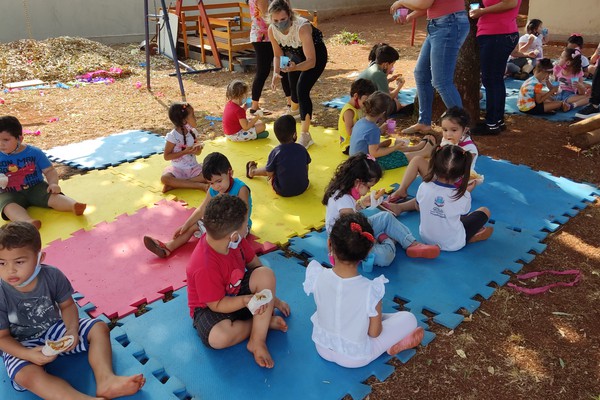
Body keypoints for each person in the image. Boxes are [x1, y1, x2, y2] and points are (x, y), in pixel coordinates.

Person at [0, 221, 145, 398]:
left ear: (40, 258)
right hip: (19, 344)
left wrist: (72, 331)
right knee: (26, 376)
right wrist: (27, 354)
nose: (10, 270)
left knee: (99, 328)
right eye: (2, 263)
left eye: (19, 261)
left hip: (53, 330)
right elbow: (2, 337)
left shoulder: (52, 275)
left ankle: (106, 380)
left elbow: (67, 305)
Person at [303, 213, 424, 368]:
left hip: (322, 346)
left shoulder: (318, 275)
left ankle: (389, 334)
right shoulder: (370, 290)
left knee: (360, 313)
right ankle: (394, 342)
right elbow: (374, 333)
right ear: (368, 253)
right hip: (354, 358)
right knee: (409, 318)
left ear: (329, 244)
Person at [186, 194, 290, 368]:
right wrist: (246, 301)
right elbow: (216, 304)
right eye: (246, 224)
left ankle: (257, 340)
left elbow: (255, 266)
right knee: (218, 338)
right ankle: (261, 323)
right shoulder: (203, 265)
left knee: (266, 274)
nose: (247, 228)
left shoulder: (236, 242)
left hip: (238, 294)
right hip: (211, 308)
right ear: (233, 235)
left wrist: (272, 298)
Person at [323, 153, 440, 268]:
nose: (369, 191)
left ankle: (412, 244)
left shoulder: (343, 191)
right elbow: (350, 232)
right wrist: (370, 240)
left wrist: (362, 204)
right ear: (358, 182)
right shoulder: (344, 199)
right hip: (347, 244)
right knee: (385, 257)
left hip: (353, 229)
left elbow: (350, 213)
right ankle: (387, 240)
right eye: (369, 187)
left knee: (386, 217)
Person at [143, 152, 252, 258]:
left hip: (238, 227)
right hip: (221, 224)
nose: (216, 186)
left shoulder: (241, 189)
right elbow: (201, 210)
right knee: (193, 226)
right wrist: (184, 226)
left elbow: (244, 217)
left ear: (230, 172)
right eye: (211, 183)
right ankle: (168, 247)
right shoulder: (213, 190)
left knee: (215, 236)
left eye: (219, 181)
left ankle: (221, 246)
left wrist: (238, 237)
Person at [390, 0, 470, 135]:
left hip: (449, 24)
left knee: (442, 82)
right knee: (421, 74)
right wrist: (410, 16)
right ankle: (424, 123)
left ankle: (463, 131)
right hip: (439, 24)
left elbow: (424, 4)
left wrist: (401, 2)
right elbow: (431, 5)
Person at [0, 116, 86, 230]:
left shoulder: (34, 152)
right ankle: (28, 222)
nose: (1, 144)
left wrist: (53, 184)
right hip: (9, 192)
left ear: (20, 138)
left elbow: (49, 170)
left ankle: (73, 205)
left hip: (36, 187)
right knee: (8, 207)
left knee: (52, 196)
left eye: (6, 140)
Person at [386, 107, 479, 212]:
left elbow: (457, 170)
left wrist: (453, 148)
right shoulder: (446, 140)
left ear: (465, 130)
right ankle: (401, 190)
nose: (448, 134)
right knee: (417, 160)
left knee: (432, 194)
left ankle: (401, 207)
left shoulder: (470, 149)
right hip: (441, 174)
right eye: (445, 130)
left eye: (454, 130)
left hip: (455, 182)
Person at [268, 0, 328, 149]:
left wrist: (294, 68)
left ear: (289, 15)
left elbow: (311, 61)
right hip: (294, 54)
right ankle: (295, 111)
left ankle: (305, 135)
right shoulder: (271, 30)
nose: (279, 23)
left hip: (315, 56)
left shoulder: (302, 27)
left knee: (302, 89)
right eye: (276, 20)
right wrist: (277, 72)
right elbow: (278, 54)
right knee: (290, 83)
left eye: (283, 19)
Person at [416, 145, 493, 251]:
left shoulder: (424, 186)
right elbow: (461, 217)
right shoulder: (464, 195)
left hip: (425, 237)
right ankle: (472, 237)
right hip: (452, 243)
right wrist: (466, 193)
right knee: (485, 210)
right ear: (462, 173)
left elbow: (419, 206)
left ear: (434, 164)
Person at [470, 0, 522, 135]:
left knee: (491, 80)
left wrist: (482, 12)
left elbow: (510, 3)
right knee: (495, 79)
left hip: (497, 34)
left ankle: (492, 123)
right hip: (497, 33)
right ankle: (497, 120)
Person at [349, 92, 437, 171]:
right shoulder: (373, 129)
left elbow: (366, 137)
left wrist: (380, 131)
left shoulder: (361, 121)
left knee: (389, 149)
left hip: (355, 161)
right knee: (396, 155)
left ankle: (416, 148)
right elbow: (374, 153)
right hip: (365, 167)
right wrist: (394, 148)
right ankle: (424, 152)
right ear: (383, 113)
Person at [245, 115, 311, 197]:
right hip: (303, 187)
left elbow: (269, 173)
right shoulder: (302, 149)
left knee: (270, 169)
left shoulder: (276, 152)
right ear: (295, 134)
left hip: (282, 190)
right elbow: (306, 166)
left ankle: (253, 172)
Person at [247, 0, 291, 115]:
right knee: (266, 71)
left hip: (269, 36)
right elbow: (267, 17)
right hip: (264, 37)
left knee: (283, 66)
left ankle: (290, 103)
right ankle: (255, 106)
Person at [160, 102, 208, 193]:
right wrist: (184, 152)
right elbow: (166, 156)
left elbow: (197, 153)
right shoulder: (173, 136)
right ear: (183, 121)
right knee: (165, 178)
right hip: (178, 170)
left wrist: (198, 150)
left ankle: (176, 185)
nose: (196, 118)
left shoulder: (193, 132)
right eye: (193, 116)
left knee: (209, 175)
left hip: (193, 168)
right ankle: (199, 185)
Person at [357, 44, 406, 116]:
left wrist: (389, 80)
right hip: (366, 107)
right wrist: (399, 86)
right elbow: (388, 97)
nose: (392, 67)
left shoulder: (373, 65)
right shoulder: (379, 74)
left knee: (393, 94)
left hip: (359, 101)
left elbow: (375, 83)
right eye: (392, 64)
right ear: (385, 64)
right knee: (395, 102)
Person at [339, 78, 377, 155]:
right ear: (356, 96)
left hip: (357, 140)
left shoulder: (359, 107)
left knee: (373, 144)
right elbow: (350, 132)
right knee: (373, 150)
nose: (367, 104)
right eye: (365, 101)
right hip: (349, 146)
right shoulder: (349, 111)